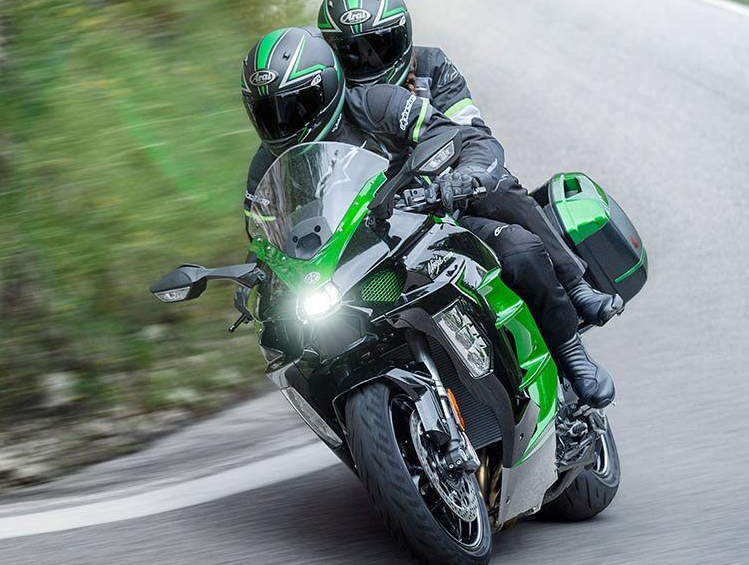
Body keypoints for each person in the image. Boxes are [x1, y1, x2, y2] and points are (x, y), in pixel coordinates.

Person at [239, 25, 616, 407]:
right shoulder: (265, 164)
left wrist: (459, 178)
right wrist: (255, 275)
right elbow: (265, 231)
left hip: (429, 224)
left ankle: (573, 355)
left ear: (329, 87)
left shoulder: (376, 103)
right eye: (269, 113)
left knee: (519, 249)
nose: (284, 123)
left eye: (297, 105)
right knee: (299, 343)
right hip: (354, 260)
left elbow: (460, 136)